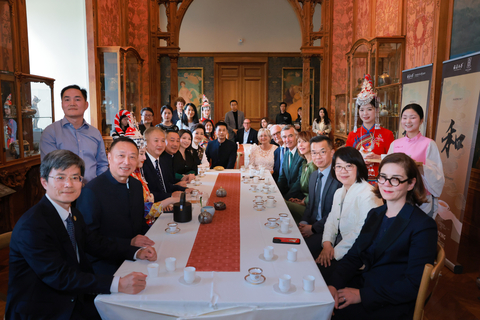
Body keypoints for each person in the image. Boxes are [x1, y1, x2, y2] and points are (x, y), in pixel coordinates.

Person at [5, 150, 156, 320]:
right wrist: (118, 284)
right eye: (60, 177)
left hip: (76, 295)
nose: (69, 184)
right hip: (44, 308)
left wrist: (135, 252)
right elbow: (60, 277)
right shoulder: (32, 226)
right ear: (44, 182)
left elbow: (95, 243)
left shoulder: (72, 213)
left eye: (75, 177)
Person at [328, 153, 437, 320]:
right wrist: (334, 285)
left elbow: (413, 285)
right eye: (383, 177)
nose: (386, 184)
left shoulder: (423, 226)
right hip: (367, 283)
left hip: (391, 300)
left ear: (410, 183)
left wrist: (361, 295)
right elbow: (355, 255)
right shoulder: (375, 213)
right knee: (323, 301)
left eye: (395, 179)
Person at [76, 137, 155, 276]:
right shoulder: (92, 191)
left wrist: (149, 239)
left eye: (132, 157)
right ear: (109, 157)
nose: (127, 162)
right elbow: (90, 240)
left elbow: (139, 222)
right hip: (105, 262)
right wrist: (130, 245)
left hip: (135, 253)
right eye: (121, 156)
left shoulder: (136, 185)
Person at [316, 147, 383, 283]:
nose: (343, 171)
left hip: (359, 253)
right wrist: (327, 244)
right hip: (339, 244)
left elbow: (362, 233)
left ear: (358, 167)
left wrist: (333, 252)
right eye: (339, 166)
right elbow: (332, 221)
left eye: (348, 166)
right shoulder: (339, 192)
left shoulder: (368, 194)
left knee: (319, 273)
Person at [40, 85, 108, 184]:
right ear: (62, 104)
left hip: (93, 190)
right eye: (67, 100)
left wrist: (99, 186)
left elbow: (102, 164)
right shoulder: (51, 132)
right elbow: (50, 168)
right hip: (64, 191)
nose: (72, 103)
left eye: (77, 99)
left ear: (86, 105)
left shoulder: (95, 133)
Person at [388, 103, 444, 218]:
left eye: (413, 117)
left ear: (421, 120)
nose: (408, 121)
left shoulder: (429, 144)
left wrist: (420, 167)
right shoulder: (395, 144)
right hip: (398, 196)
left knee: (420, 231)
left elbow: (437, 174)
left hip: (421, 198)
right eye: (404, 117)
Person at [298, 135, 342, 258]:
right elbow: (310, 205)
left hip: (329, 231)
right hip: (312, 224)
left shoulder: (338, 178)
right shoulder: (313, 176)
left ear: (332, 152)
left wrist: (312, 229)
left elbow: (336, 213)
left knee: (302, 251)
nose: (317, 157)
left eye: (322, 152)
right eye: (314, 153)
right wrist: (303, 223)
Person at [346, 75, 394, 182]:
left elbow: (393, 159)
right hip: (357, 179)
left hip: (381, 180)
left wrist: (379, 157)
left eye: (369, 109)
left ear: (377, 110)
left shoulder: (387, 134)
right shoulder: (352, 135)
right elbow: (346, 159)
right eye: (362, 110)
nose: (365, 113)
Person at [142, 127, 187, 201]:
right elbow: (146, 193)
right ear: (145, 143)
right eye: (156, 140)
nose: (160, 144)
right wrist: (170, 195)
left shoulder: (163, 161)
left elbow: (166, 185)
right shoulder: (142, 163)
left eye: (163, 141)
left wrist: (185, 190)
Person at [286, 131, 317, 223]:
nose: (300, 145)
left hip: (312, 209)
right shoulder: (304, 164)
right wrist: (300, 200)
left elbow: (317, 192)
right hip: (305, 203)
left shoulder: (314, 166)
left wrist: (304, 202)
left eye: (304, 141)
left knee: (281, 204)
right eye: (299, 142)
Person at [278, 125, 305, 199]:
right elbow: (282, 177)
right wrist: (277, 193)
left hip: (299, 197)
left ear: (296, 137)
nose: (287, 140)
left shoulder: (302, 154)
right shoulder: (286, 154)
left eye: (290, 136)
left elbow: (299, 182)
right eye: (284, 137)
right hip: (288, 193)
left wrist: (286, 198)